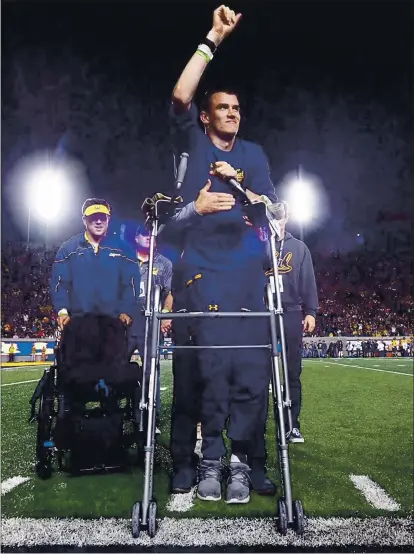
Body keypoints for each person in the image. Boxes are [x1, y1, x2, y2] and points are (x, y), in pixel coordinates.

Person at [169, 5, 278, 504]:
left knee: (252, 375)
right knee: (212, 372)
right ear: (207, 116)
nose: (232, 113)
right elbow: (179, 94)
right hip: (204, 278)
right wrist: (212, 37)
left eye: (237, 108)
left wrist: (245, 191)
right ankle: (209, 458)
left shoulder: (253, 155)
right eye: (223, 108)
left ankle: (242, 461)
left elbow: (273, 213)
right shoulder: (192, 141)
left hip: (247, 279)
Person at [262, 201, 318, 443]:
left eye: (280, 217)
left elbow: (308, 280)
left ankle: (292, 424)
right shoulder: (260, 246)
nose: (277, 221)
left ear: (287, 218)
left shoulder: (299, 247)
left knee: (292, 372)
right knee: (259, 372)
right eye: (272, 217)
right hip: (263, 314)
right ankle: (258, 424)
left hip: (291, 313)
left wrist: (311, 311)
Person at [50, 198, 140, 333]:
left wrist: (126, 311)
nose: (98, 222)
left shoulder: (124, 249)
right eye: (93, 217)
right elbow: (59, 284)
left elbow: (131, 284)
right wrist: (62, 312)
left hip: (113, 323)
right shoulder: (68, 249)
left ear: (108, 219)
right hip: (78, 323)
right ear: (84, 220)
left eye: (102, 218)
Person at [130, 225, 173, 433]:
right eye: (144, 234)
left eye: (151, 234)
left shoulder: (164, 264)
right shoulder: (126, 259)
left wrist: (165, 314)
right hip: (126, 323)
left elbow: (170, 292)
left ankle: (150, 418)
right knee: (115, 367)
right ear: (137, 237)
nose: (148, 237)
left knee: (150, 372)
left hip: (150, 323)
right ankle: (118, 412)